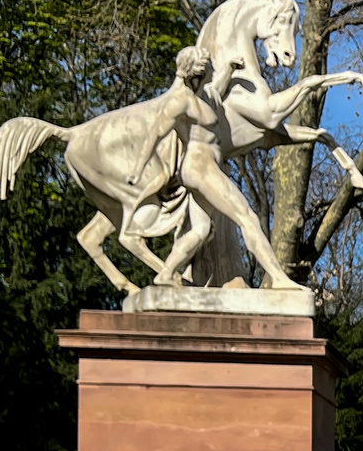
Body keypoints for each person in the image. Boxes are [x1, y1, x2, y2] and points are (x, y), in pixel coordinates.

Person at [123, 45, 302, 289]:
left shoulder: (203, 96)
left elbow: (217, 90)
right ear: (198, 72)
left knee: (201, 229)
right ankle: (280, 280)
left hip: (204, 167)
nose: (213, 70)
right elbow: (156, 133)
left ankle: (165, 274)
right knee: (247, 217)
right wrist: (138, 168)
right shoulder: (180, 102)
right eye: (209, 67)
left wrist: (228, 70)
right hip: (200, 167)